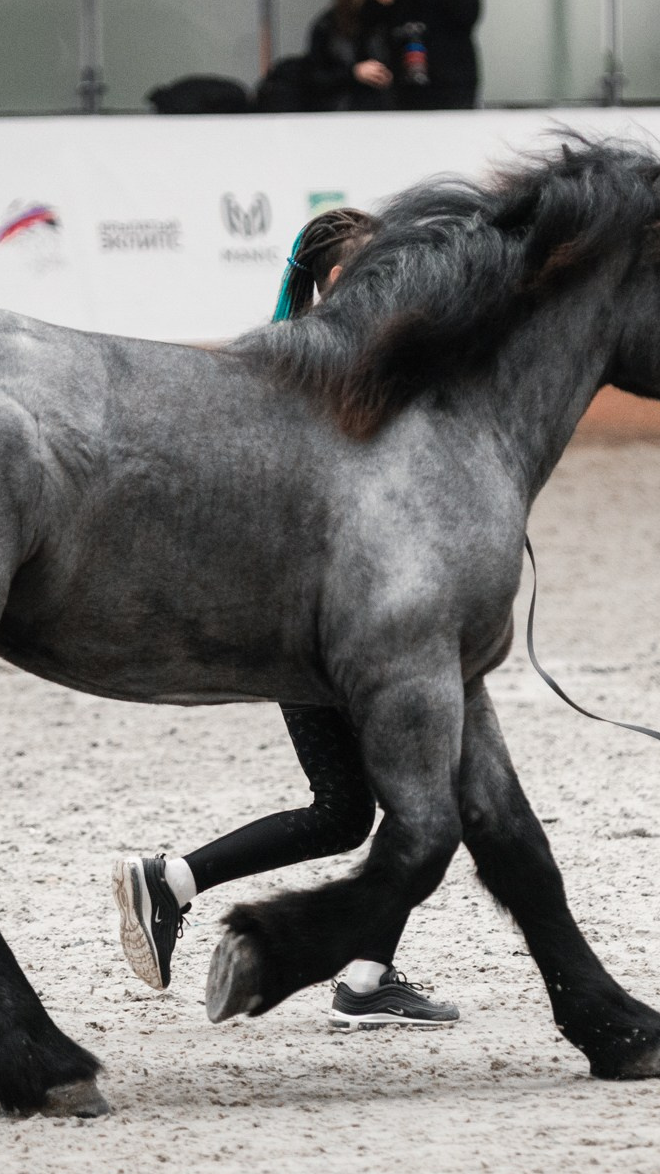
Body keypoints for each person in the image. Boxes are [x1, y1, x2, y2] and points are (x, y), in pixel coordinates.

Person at [113, 208, 461, 1032]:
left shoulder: (286, 361)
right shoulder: (334, 371)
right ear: (330, 283)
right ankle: (364, 979)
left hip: (294, 623)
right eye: (367, 273)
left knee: (345, 809)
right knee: (421, 804)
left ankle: (175, 879)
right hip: (337, 624)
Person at [302, 0, 394, 112]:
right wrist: (354, 73)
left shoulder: (390, 22)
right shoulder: (329, 25)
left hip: (387, 107)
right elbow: (315, 76)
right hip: (342, 108)